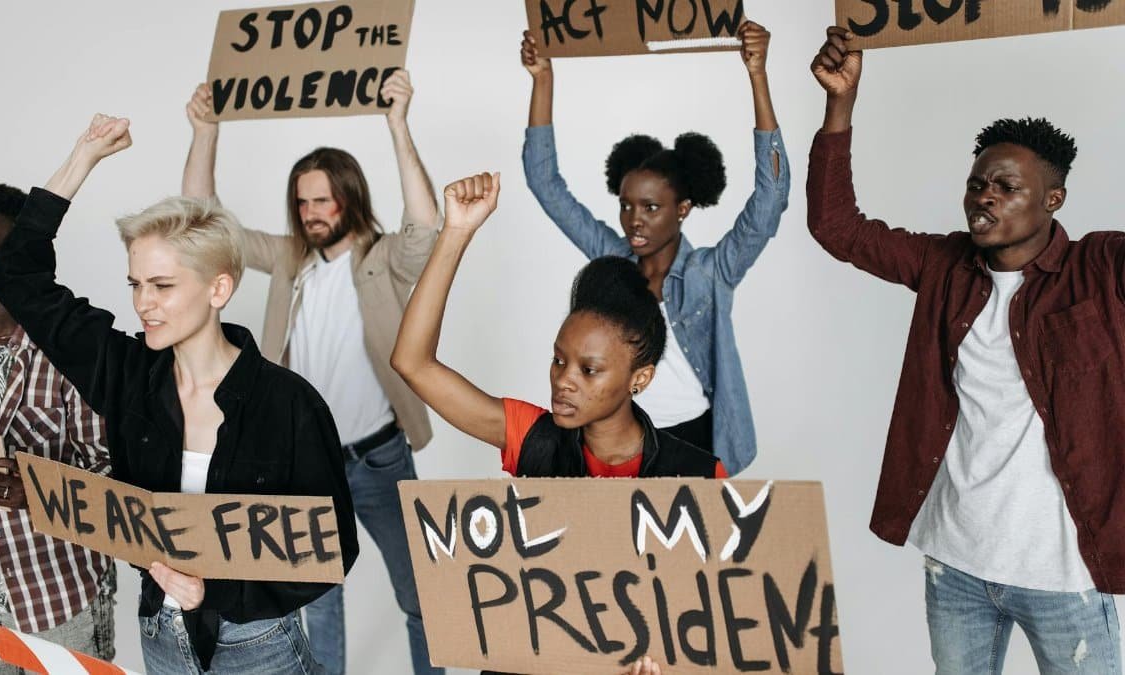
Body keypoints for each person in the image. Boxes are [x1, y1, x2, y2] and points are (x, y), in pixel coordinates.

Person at [0, 114, 359, 674]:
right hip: (159, 637)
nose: (144, 304)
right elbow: (16, 276)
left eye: (163, 286)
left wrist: (215, 589)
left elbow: (331, 549)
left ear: (219, 288)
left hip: (257, 647)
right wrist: (82, 159)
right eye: (136, 284)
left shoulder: (289, 403)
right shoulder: (127, 373)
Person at [809, 26, 1120, 674]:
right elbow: (836, 226)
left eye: (1007, 187)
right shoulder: (944, 264)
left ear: (1053, 199)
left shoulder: (1099, 269)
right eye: (979, 182)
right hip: (956, 565)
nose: (985, 196)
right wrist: (841, 103)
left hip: (1063, 574)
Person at [391, 172, 723, 675]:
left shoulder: (699, 476)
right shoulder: (533, 436)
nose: (564, 380)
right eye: (558, 360)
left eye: (589, 370)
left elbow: (714, 625)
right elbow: (413, 362)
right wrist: (455, 233)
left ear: (641, 377)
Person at [182, 68, 440, 674]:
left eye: (322, 199)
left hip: (379, 459)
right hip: (306, 464)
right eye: (302, 201)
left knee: (424, 598)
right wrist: (204, 132)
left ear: (348, 197)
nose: (311, 211)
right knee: (319, 602)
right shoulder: (291, 259)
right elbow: (203, 219)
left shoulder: (383, 258)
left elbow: (425, 225)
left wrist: (397, 124)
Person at [519, 21, 790, 475]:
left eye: (650, 206)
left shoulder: (711, 273)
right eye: (626, 206)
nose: (634, 219)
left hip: (694, 437)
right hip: (616, 438)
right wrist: (543, 79)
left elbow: (771, 199)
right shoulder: (611, 258)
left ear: (682, 208)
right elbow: (545, 184)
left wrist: (757, 75)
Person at [0, 182, 116, 673]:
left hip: (53, 592)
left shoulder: (69, 351)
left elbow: (114, 475)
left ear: (13, 257)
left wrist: (35, 486)